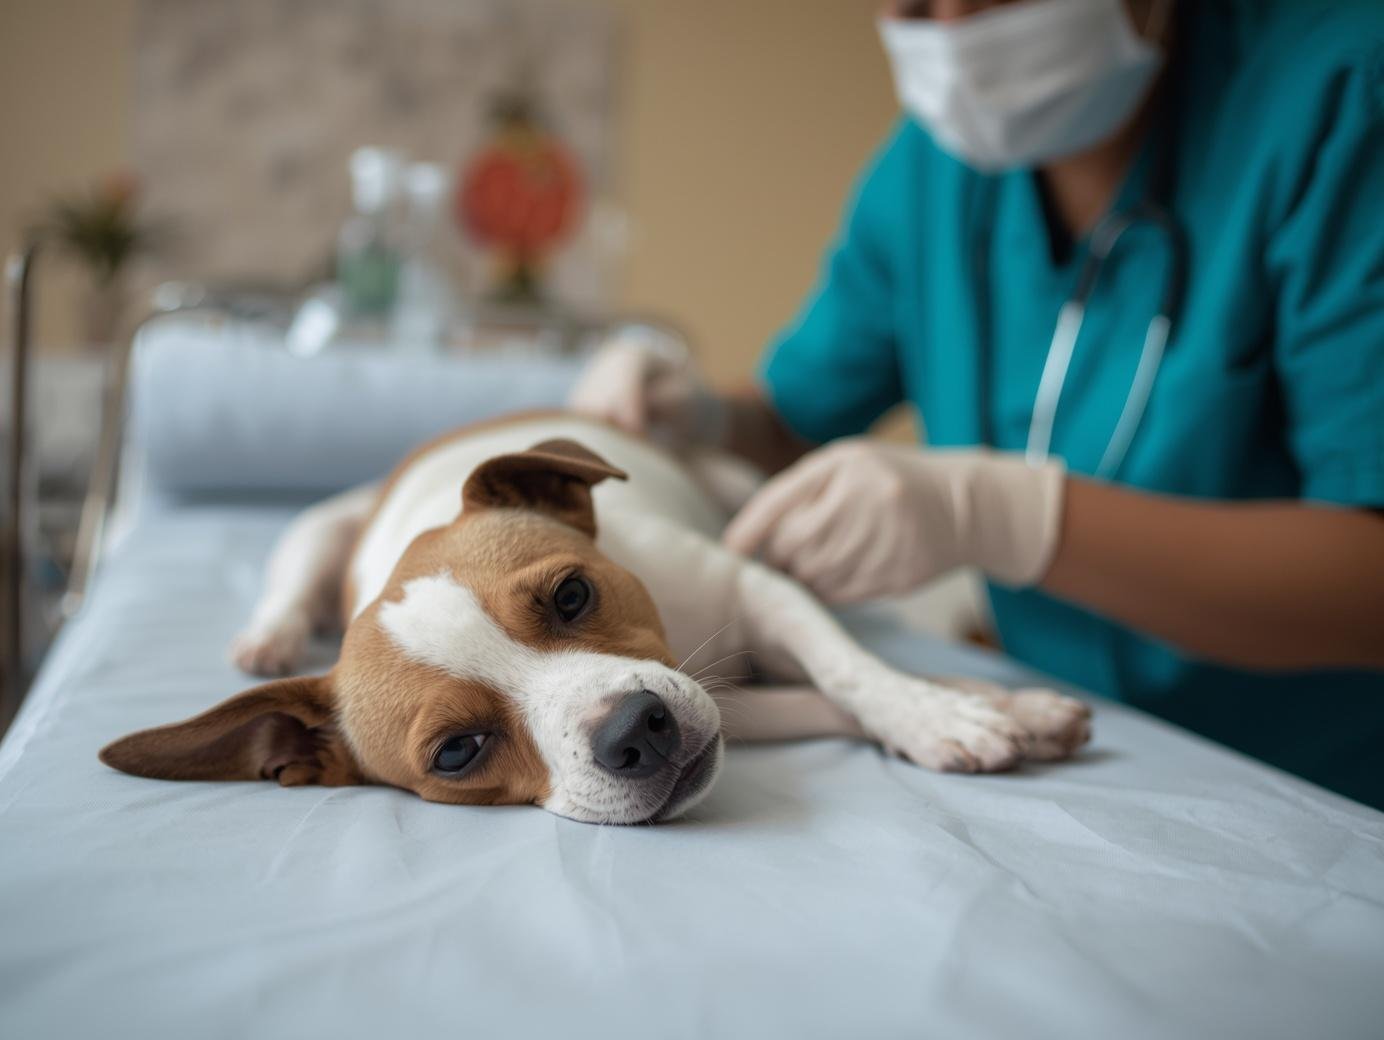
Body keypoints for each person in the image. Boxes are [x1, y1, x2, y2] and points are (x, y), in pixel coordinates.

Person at [570, 0, 1384, 810]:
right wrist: (702, 417)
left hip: (1324, 786)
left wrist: (1006, 516)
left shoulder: (1342, 92)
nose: (957, 35)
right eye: (917, 6)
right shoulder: (931, 173)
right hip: (1078, 749)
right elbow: (795, 418)